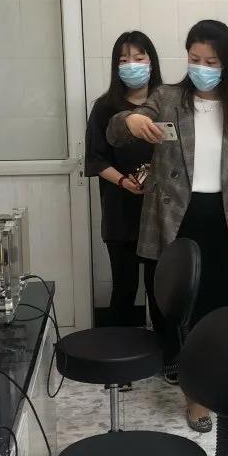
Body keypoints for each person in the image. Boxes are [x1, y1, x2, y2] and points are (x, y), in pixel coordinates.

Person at [107, 19, 228, 432]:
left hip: (226, 221)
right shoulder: (167, 97)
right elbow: (117, 131)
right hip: (180, 220)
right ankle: (197, 397)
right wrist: (129, 121)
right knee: (188, 314)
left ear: (227, 64)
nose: (201, 68)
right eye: (195, 59)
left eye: (211, 62)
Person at [85, 31, 164, 333]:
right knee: (124, 287)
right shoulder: (105, 108)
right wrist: (122, 182)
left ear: (151, 62)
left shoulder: (167, 103)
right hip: (120, 210)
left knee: (160, 289)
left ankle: (165, 350)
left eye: (138, 58)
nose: (132, 65)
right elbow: (95, 159)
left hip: (160, 212)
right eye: (123, 60)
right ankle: (118, 352)